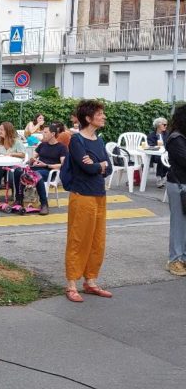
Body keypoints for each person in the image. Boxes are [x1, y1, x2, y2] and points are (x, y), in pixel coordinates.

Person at [65, 99, 113, 303]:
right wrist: (97, 165)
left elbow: (108, 167)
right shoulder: (77, 141)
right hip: (82, 195)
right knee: (78, 239)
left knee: (97, 240)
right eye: (100, 114)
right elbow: (87, 168)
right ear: (88, 118)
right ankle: (71, 284)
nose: (103, 116)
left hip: (99, 194)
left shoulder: (99, 140)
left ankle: (91, 281)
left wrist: (97, 164)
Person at [13, 124, 67, 215]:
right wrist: (32, 160)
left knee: (36, 174)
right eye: (43, 132)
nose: (43, 134)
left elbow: (63, 165)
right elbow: (33, 158)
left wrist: (47, 165)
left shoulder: (61, 147)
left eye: (45, 132)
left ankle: (44, 204)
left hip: (49, 171)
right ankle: (19, 199)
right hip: (36, 168)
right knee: (18, 171)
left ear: (53, 134)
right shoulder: (42, 145)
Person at [165, 107, 186, 276]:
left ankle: (183, 258)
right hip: (179, 186)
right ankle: (175, 260)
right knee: (179, 224)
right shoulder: (175, 139)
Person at [0, 122, 26, 203]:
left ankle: (15, 193)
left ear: (8, 131)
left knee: (12, 176)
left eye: (2, 130)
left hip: (13, 165)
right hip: (1, 164)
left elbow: (23, 154)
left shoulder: (16, 141)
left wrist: (12, 154)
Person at [147, 117, 169, 188]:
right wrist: (158, 147)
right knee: (161, 158)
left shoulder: (167, 134)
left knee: (167, 158)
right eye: (164, 125)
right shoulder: (151, 135)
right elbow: (150, 145)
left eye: (166, 125)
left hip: (166, 153)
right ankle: (160, 177)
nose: (166, 126)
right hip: (155, 155)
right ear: (159, 125)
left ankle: (163, 176)